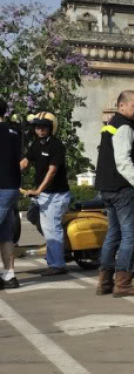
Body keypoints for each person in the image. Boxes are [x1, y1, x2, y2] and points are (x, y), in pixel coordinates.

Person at [95, 90, 134, 297]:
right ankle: (124, 283)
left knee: (113, 234)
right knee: (130, 235)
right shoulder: (125, 128)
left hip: (107, 188)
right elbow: (123, 161)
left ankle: (105, 281)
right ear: (121, 106)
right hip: (122, 188)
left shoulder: (110, 126)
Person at [20, 112, 72, 276]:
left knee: (52, 228)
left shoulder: (56, 145)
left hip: (56, 195)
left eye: (44, 127)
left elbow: (52, 171)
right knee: (32, 215)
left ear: (51, 128)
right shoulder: (36, 144)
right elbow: (25, 162)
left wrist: (38, 190)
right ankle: (60, 247)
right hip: (43, 196)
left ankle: (57, 264)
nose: (40, 130)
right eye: (37, 127)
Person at [0, 99, 22, 289]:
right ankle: (9, 275)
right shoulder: (14, 133)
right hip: (12, 187)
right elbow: (19, 160)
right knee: (5, 234)